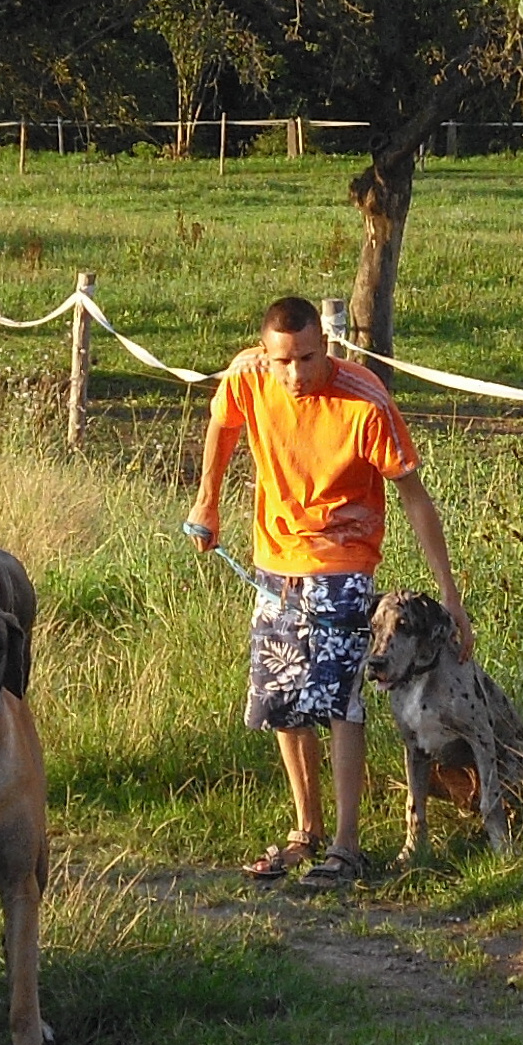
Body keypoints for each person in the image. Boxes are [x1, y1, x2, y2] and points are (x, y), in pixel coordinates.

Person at [189, 296, 471, 888]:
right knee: (282, 701)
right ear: (266, 355)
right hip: (275, 560)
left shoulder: (363, 400)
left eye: (308, 359)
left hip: (344, 560)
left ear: (326, 347)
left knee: (341, 697)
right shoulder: (247, 376)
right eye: (284, 362)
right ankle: (305, 830)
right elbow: (222, 424)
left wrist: (451, 594)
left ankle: (348, 845)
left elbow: (413, 496)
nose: (296, 375)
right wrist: (207, 501)